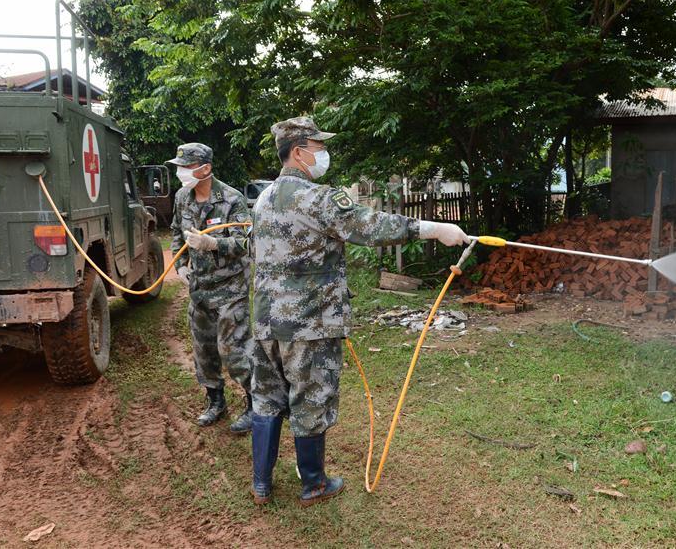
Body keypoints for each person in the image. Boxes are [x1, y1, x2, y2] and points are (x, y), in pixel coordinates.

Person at [249, 117, 469, 506]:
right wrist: (432, 229)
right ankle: (313, 483)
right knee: (311, 398)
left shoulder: (263, 199)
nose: (323, 154)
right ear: (299, 152)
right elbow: (371, 226)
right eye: (318, 147)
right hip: (309, 322)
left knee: (266, 397)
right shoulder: (317, 198)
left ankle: (261, 484)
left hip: (266, 320)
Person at [167, 143, 255, 433]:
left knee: (234, 350)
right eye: (180, 167)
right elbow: (176, 231)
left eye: (186, 167)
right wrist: (180, 265)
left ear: (205, 168)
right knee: (204, 351)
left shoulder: (231, 199)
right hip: (200, 289)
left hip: (230, 288)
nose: (181, 173)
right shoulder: (182, 197)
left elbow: (245, 243)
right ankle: (215, 401)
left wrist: (213, 243)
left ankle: (255, 405)